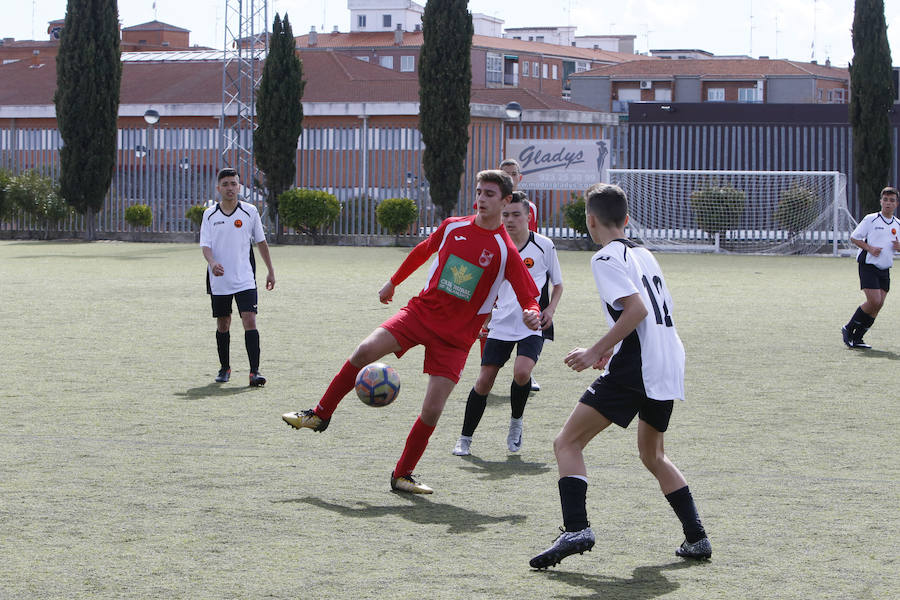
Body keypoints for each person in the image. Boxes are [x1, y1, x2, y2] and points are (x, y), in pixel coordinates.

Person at [281, 170, 542, 494]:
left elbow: (529, 295)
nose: (481, 199)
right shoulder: (453, 227)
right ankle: (320, 415)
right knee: (364, 351)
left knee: (432, 409)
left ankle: (402, 475)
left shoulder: (505, 251)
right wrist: (393, 281)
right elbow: (422, 251)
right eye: (478, 192)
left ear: (505, 201)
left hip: (456, 339)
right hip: (419, 314)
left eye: (490, 194)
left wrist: (531, 313)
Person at [529, 183, 710, 570]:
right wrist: (612, 348)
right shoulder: (644, 254)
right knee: (652, 453)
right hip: (668, 361)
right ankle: (696, 538)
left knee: (566, 443)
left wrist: (596, 349)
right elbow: (652, 313)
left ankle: (576, 528)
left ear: (590, 221)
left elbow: (637, 311)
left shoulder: (605, 258)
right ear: (626, 219)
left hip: (639, 366)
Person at [453, 191, 563, 457]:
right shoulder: (495, 246)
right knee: (484, 382)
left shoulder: (544, 246)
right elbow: (481, 286)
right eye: (506, 215)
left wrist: (549, 310)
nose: (511, 220)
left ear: (528, 217)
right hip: (500, 324)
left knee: (522, 373)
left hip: (532, 323)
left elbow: (557, 285)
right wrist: (483, 317)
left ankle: (516, 422)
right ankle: (464, 438)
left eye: (516, 215)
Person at [200, 167, 275, 387]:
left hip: (245, 277)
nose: (230, 188)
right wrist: (213, 263)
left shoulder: (250, 211)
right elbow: (205, 246)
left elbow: (261, 242)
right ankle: (225, 368)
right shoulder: (209, 214)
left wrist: (270, 270)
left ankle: (255, 372)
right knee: (223, 323)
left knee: (249, 319)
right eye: (226, 184)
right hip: (219, 279)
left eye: (234, 184)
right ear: (218, 188)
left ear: (239, 186)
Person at [841, 186, 900, 349]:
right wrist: (870, 248)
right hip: (868, 265)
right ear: (881, 201)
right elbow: (854, 237)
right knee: (874, 300)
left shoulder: (897, 224)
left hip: (885, 268)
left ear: (896, 204)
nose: (888, 203)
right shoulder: (871, 219)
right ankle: (848, 328)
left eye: (892, 200)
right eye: (885, 200)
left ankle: (858, 338)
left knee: (878, 305)